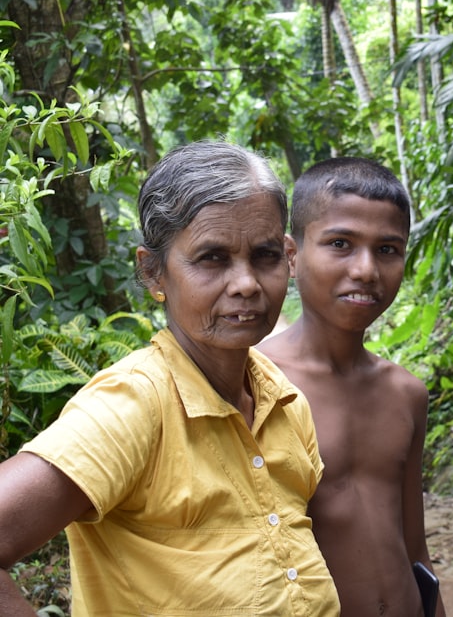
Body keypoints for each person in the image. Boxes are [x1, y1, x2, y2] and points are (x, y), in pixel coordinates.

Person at [0, 141, 341, 617]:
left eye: (264, 255)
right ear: (153, 272)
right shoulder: (135, 404)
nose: (246, 283)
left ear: (288, 257)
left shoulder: (282, 400)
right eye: (212, 258)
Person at [259, 157, 446, 617]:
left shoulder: (406, 393)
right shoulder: (256, 384)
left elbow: (414, 547)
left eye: (388, 249)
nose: (366, 269)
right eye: (340, 243)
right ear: (292, 255)